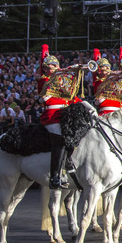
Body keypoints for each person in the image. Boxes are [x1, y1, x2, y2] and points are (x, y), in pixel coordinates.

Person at [37, 44, 82, 189]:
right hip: (51, 115)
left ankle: (71, 163)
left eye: (53, 67)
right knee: (60, 140)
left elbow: (71, 97)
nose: (50, 70)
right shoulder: (45, 81)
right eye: (48, 68)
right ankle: (55, 176)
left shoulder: (63, 81)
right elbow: (45, 98)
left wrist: (87, 106)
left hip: (65, 114)